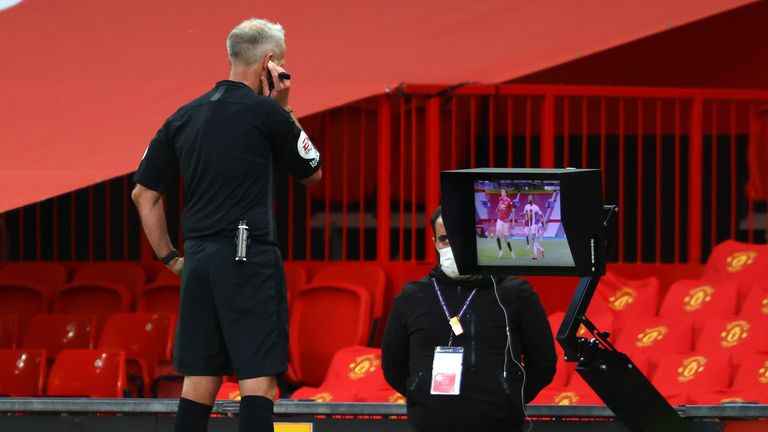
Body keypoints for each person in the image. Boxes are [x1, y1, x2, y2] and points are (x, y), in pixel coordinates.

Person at [131, 18, 322, 432]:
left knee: (199, 379)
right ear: (270, 63)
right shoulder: (267, 114)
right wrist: (286, 107)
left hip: (197, 259)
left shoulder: (182, 116)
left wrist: (170, 257)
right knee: (259, 382)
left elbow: (143, 195)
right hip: (248, 255)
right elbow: (312, 171)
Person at [381, 206, 557, 432]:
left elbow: (543, 364)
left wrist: (510, 396)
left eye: (462, 238)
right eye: (445, 239)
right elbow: (392, 366)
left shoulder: (515, 293)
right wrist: (421, 393)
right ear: (435, 242)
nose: (453, 247)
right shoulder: (412, 296)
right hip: (430, 426)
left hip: (499, 426)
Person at [495, 188, 516, 259]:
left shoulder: (509, 201)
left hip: (505, 221)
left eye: (503, 192)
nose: (501, 193)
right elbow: (499, 205)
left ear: (506, 193)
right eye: (501, 191)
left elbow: (513, 211)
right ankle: (500, 251)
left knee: (506, 238)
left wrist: (513, 221)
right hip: (499, 220)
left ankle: (511, 252)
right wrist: (497, 209)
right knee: (497, 235)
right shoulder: (500, 199)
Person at [523, 195, 545, 259]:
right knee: (533, 241)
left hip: (534, 225)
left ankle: (535, 255)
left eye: (530, 198)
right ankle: (541, 250)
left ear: (532, 199)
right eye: (528, 198)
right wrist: (524, 216)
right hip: (530, 225)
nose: (528, 199)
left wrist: (540, 223)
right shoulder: (526, 206)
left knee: (533, 239)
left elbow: (541, 215)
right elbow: (524, 214)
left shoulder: (536, 207)